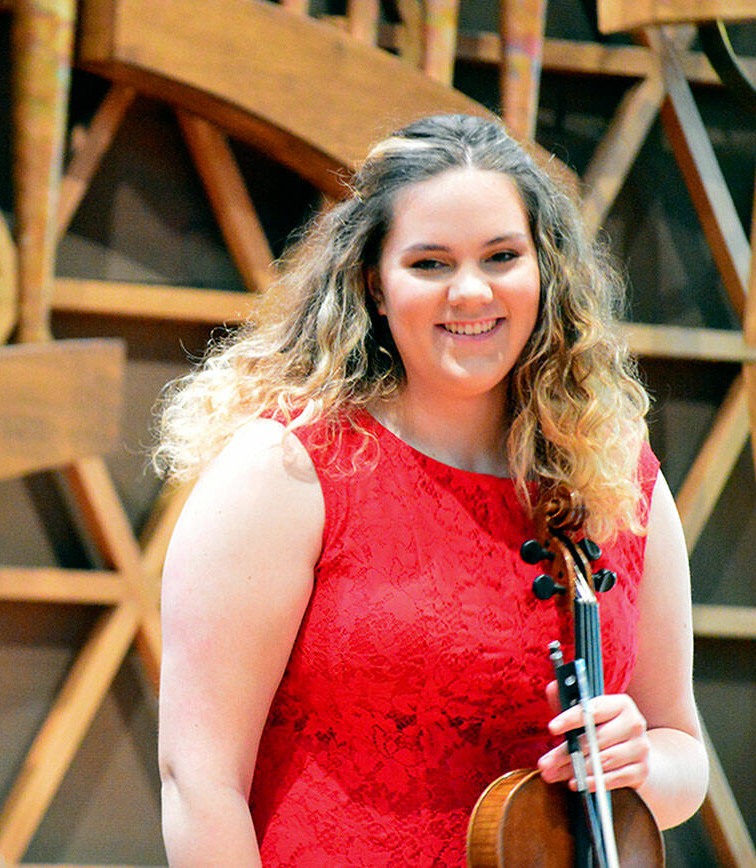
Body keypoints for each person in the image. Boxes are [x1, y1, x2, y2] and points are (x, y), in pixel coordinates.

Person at [152, 114, 707, 866]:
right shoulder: (283, 473)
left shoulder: (616, 474)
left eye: (503, 256)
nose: (471, 291)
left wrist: (643, 763)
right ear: (374, 286)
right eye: (430, 263)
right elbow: (200, 780)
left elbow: (682, 753)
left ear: (544, 273)